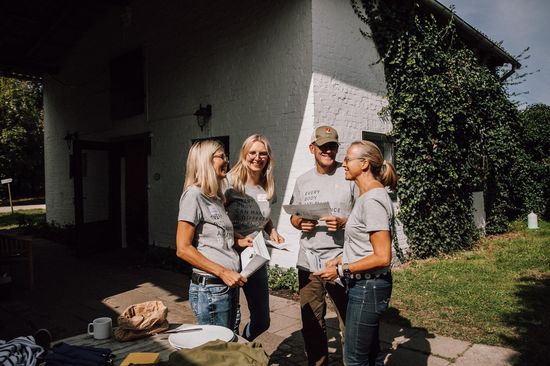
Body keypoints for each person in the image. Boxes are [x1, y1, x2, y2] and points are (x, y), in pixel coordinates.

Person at [315, 140, 397, 366]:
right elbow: (365, 246)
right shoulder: (367, 196)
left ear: (364, 164)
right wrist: (341, 258)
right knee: (370, 355)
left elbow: (382, 256)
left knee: (354, 359)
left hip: (368, 287)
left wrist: (342, 269)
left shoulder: (372, 199)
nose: (343, 164)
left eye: (348, 159)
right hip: (363, 285)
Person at [289, 126, 357, 366]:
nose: (328, 150)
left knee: (348, 322)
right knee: (311, 323)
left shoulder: (349, 175)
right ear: (312, 149)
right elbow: (294, 214)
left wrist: (344, 222)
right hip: (308, 262)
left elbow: (363, 215)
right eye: (323, 146)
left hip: (341, 260)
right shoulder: (303, 180)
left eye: (333, 146)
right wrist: (299, 222)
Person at [175, 139, 247, 331]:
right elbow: (183, 249)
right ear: (206, 161)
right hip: (212, 288)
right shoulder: (194, 195)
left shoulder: (215, 198)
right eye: (221, 156)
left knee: (229, 345)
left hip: (226, 286)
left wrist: (241, 240)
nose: (227, 161)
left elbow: (215, 238)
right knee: (217, 351)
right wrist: (223, 272)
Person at [224, 134, 285, 340]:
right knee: (230, 319)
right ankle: (234, 357)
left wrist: (272, 230)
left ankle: (243, 344)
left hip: (255, 257)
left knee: (262, 320)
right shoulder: (229, 182)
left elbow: (264, 215)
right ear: (244, 154)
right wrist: (235, 237)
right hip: (229, 257)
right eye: (253, 153)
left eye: (262, 153)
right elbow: (214, 219)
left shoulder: (268, 184)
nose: (257, 158)